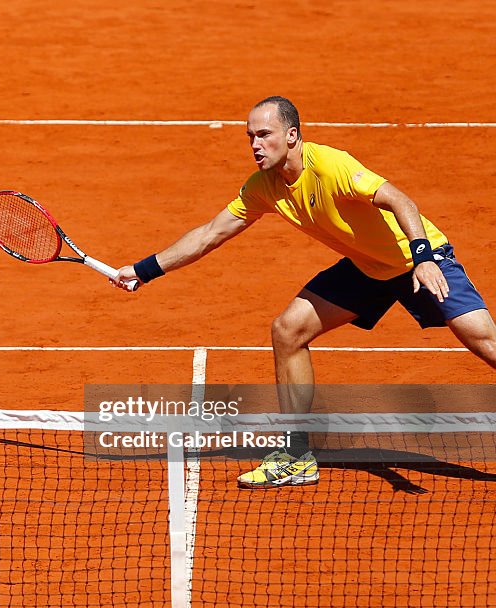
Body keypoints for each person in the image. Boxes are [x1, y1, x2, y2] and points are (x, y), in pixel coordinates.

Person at [112, 95, 496, 488]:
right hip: (366, 269)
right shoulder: (264, 187)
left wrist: (424, 258)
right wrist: (143, 271)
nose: (255, 145)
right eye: (250, 137)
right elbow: (211, 233)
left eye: (264, 135)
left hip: (420, 260)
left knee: (484, 343)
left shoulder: (331, 165)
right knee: (288, 330)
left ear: (292, 135)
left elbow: (400, 200)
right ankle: (296, 455)